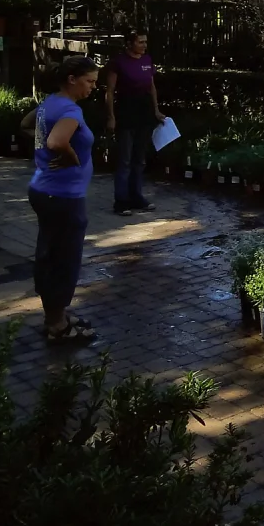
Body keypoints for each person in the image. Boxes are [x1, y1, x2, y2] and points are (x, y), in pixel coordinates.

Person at [26, 56, 100, 344]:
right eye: (90, 81)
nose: (93, 87)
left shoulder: (49, 103)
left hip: (45, 190)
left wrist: (45, 154)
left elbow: (26, 124)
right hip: (63, 197)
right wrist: (71, 158)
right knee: (64, 259)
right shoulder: (70, 110)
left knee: (50, 254)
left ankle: (53, 316)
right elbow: (57, 142)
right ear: (72, 79)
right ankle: (57, 326)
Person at [104, 28, 165, 214]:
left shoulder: (147, 61)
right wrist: (111, 116)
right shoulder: (118, 63)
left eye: (146, 42)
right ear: (129, 44)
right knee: (125, 160)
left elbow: (152, 87)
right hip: (126, 113)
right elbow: (110, 91)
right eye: (140, 42)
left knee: (140, 159)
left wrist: (156, 110)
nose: (144, 46)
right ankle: (121, 201)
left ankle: (136, 196)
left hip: (144, 114)